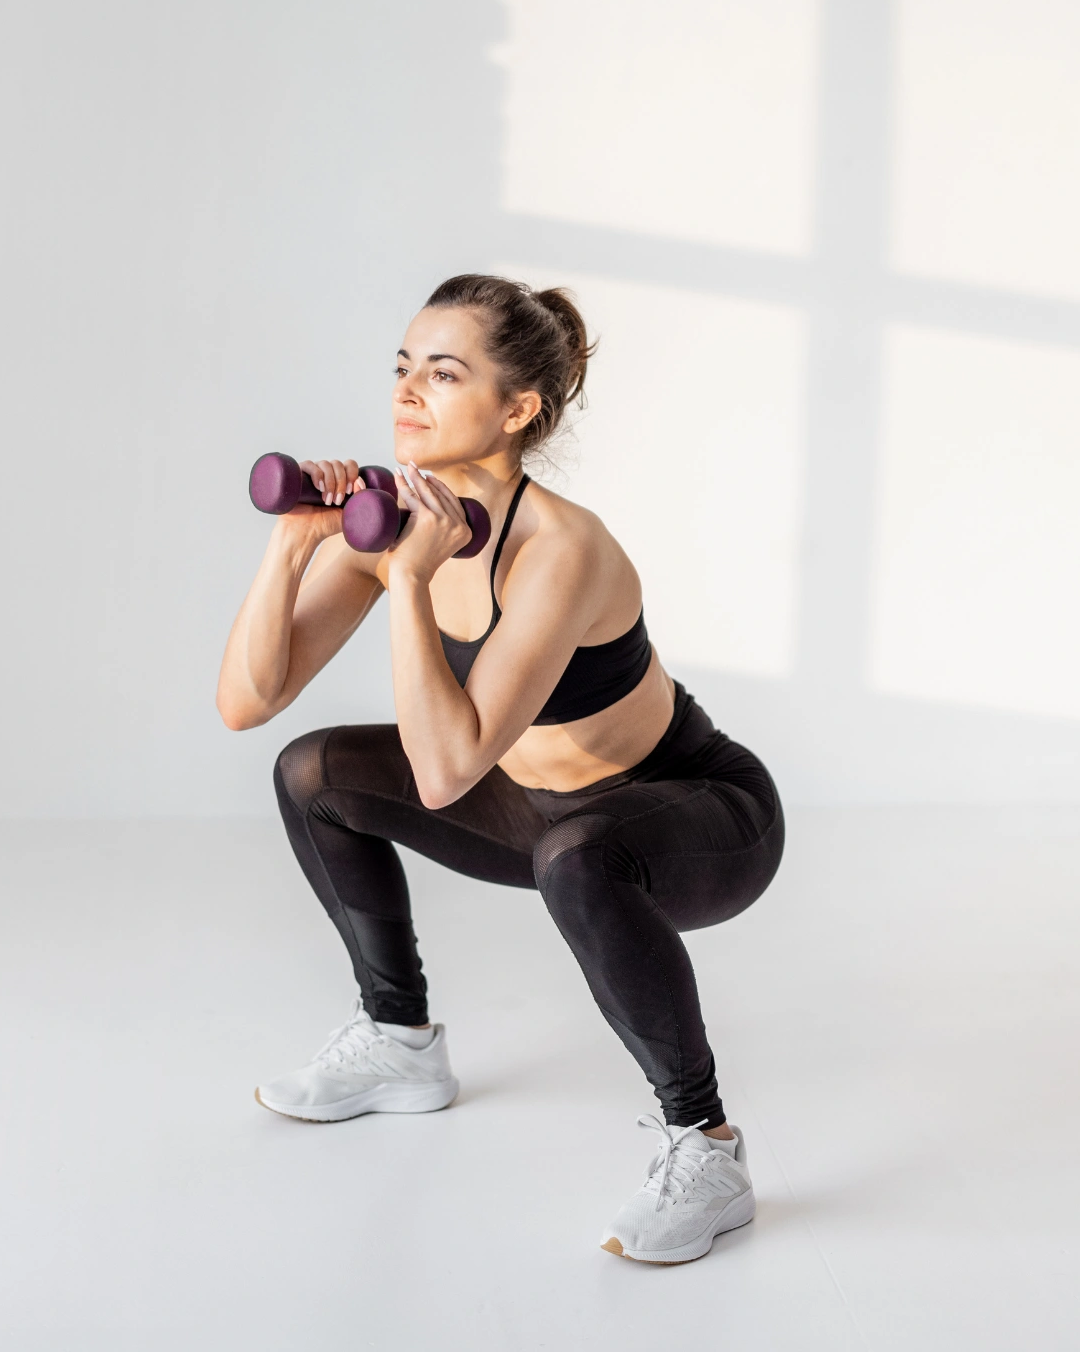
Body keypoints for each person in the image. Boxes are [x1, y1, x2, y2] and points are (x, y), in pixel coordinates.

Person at [217, 274, 784, 1264]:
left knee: (578, 856)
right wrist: (294, 541)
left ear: (516, 408)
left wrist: (408, 578)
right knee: (311, 768)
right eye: (402, 367)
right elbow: (245, 700)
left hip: (692, 813)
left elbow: (442, 774)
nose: (406, 392)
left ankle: (706, 1144)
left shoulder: (561, 548)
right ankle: (399, 1041)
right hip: (534, 809)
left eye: (442, 373)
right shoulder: (396, 519)